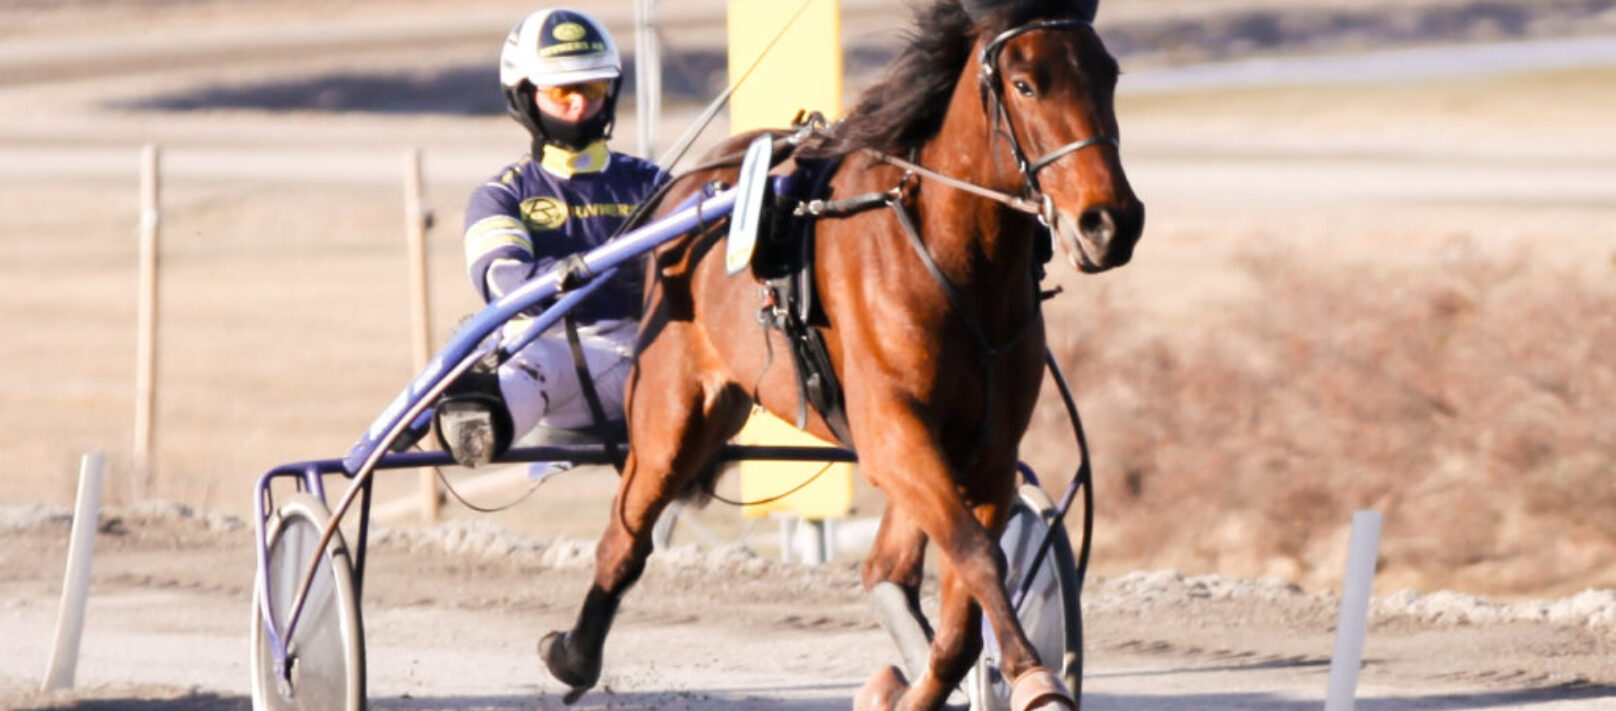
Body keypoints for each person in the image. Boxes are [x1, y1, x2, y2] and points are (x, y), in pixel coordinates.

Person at [436, 7, 668, 467]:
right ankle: (477, 416)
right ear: (524, 96)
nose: (580, 105)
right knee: (517, 356)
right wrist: (565, 275)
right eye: (563, 92)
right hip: (555, 355)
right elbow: (501, 279)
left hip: (652, 352)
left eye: (593, 88)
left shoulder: (654, 182)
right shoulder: (501, 195)